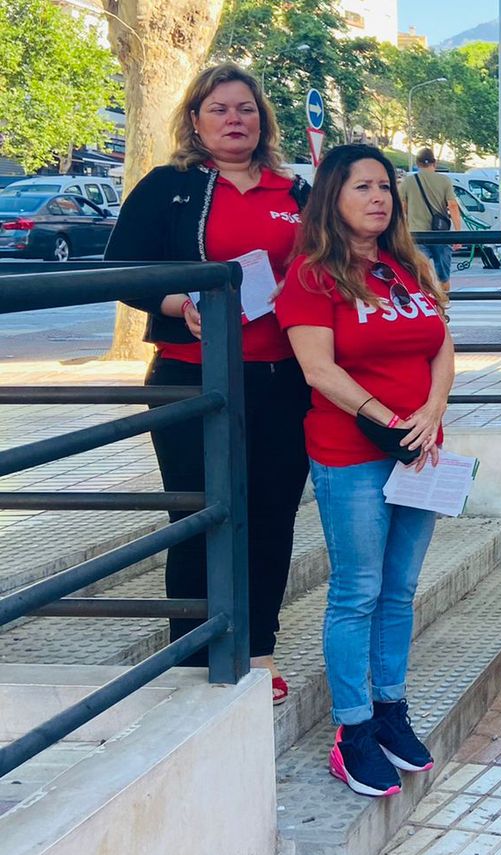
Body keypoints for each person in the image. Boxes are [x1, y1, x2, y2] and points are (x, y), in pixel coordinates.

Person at [105, 63, 312, 705]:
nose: (234, 120)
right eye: (219, 109)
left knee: (271, 518)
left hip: (281, 381)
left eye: (246, 109)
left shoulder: (295, 191)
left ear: (263, 119)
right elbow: (121, 271)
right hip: (190, 379)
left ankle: (258, 651)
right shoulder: (168, 187)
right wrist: (176, 305)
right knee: (197, 516)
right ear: (195, 119)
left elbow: (334, 264)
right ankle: (193, 656)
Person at [276, 144, 455, 797]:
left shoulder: (406, 267)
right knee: (358, 588)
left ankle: (389, 710)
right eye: (362, 187)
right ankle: (352, 731)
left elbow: (442, 344)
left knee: (401, 589)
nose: (379, 198)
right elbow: (319, 369)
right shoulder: (311, 276)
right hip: (351, 453)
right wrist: (388, 418)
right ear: (332, 196)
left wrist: (432, 411)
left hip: (420, 449)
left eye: (385, 186)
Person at [398, 147, 461, 297]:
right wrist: (458, 233)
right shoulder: (444, 180)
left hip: (417, 234)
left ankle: (426, 306)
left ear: (417, 163)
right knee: (443, 276)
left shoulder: (408, 181)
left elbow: (401, 209)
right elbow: (452, 205)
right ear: (435, 162)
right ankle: (442, 308)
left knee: (421, 275)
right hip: (440, 234)